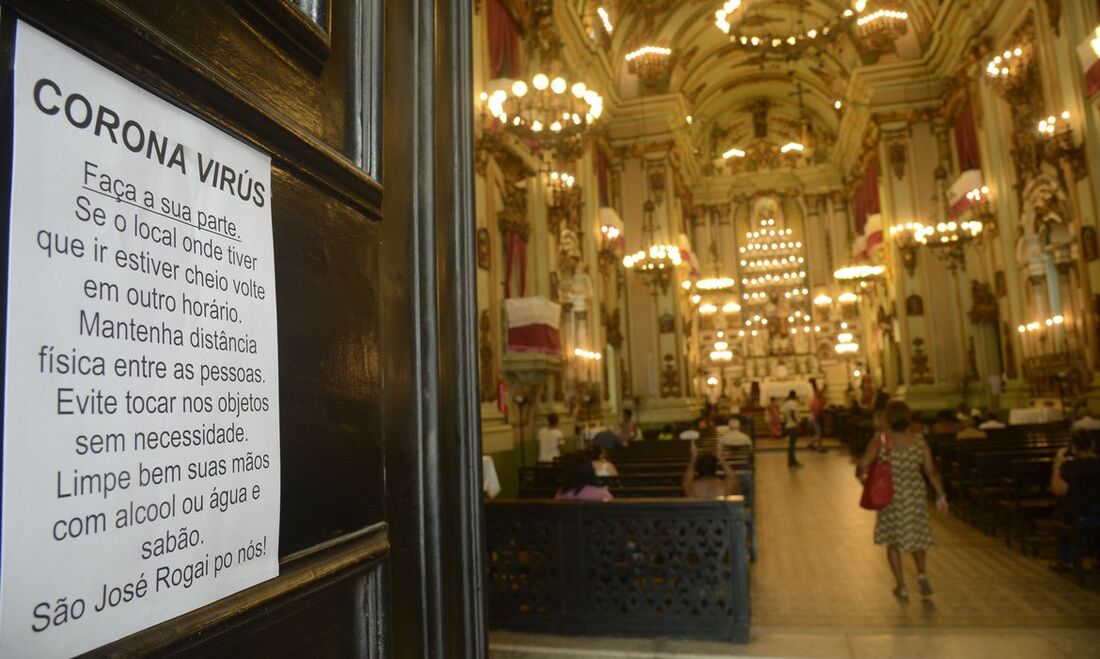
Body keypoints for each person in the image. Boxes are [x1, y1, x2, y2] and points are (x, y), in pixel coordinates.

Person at [857, 400, 949, 601]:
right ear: (909, 419)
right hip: (914, 496)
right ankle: (922, 573)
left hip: (890, 497)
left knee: (893, 542)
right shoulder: (919, 441)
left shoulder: (880, 441)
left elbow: (862, 466)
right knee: (918, 537)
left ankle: (901, 586)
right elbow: (931, 471)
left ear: (888, 419)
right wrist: (941, 495)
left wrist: (866, 484)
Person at [1050, 430, 1100, 568]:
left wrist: (1057, 466)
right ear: (1092, 445)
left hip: (1082, 515)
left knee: (1060, 515)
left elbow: (1058, 490)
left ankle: (1065, 559)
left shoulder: (1070, 466)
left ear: (1073, 448)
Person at [782, 390, 802, 467]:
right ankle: (792, 462)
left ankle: (791, 461)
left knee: (791, 445)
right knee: (792, 445)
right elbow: (792, 412)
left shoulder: (785, 403)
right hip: (792, 426)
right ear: (794, 396)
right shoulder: (792, 403)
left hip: (788, 425)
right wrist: (796, 423)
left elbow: (784, 416)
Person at [809, 386, 826, 453]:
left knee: (818, 433)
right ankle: (818, 447)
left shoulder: (815, 400)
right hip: (816, 418)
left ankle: (813, 444)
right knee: (819, 433)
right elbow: (816, 410)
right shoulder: (816, 401)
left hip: (816, 418)